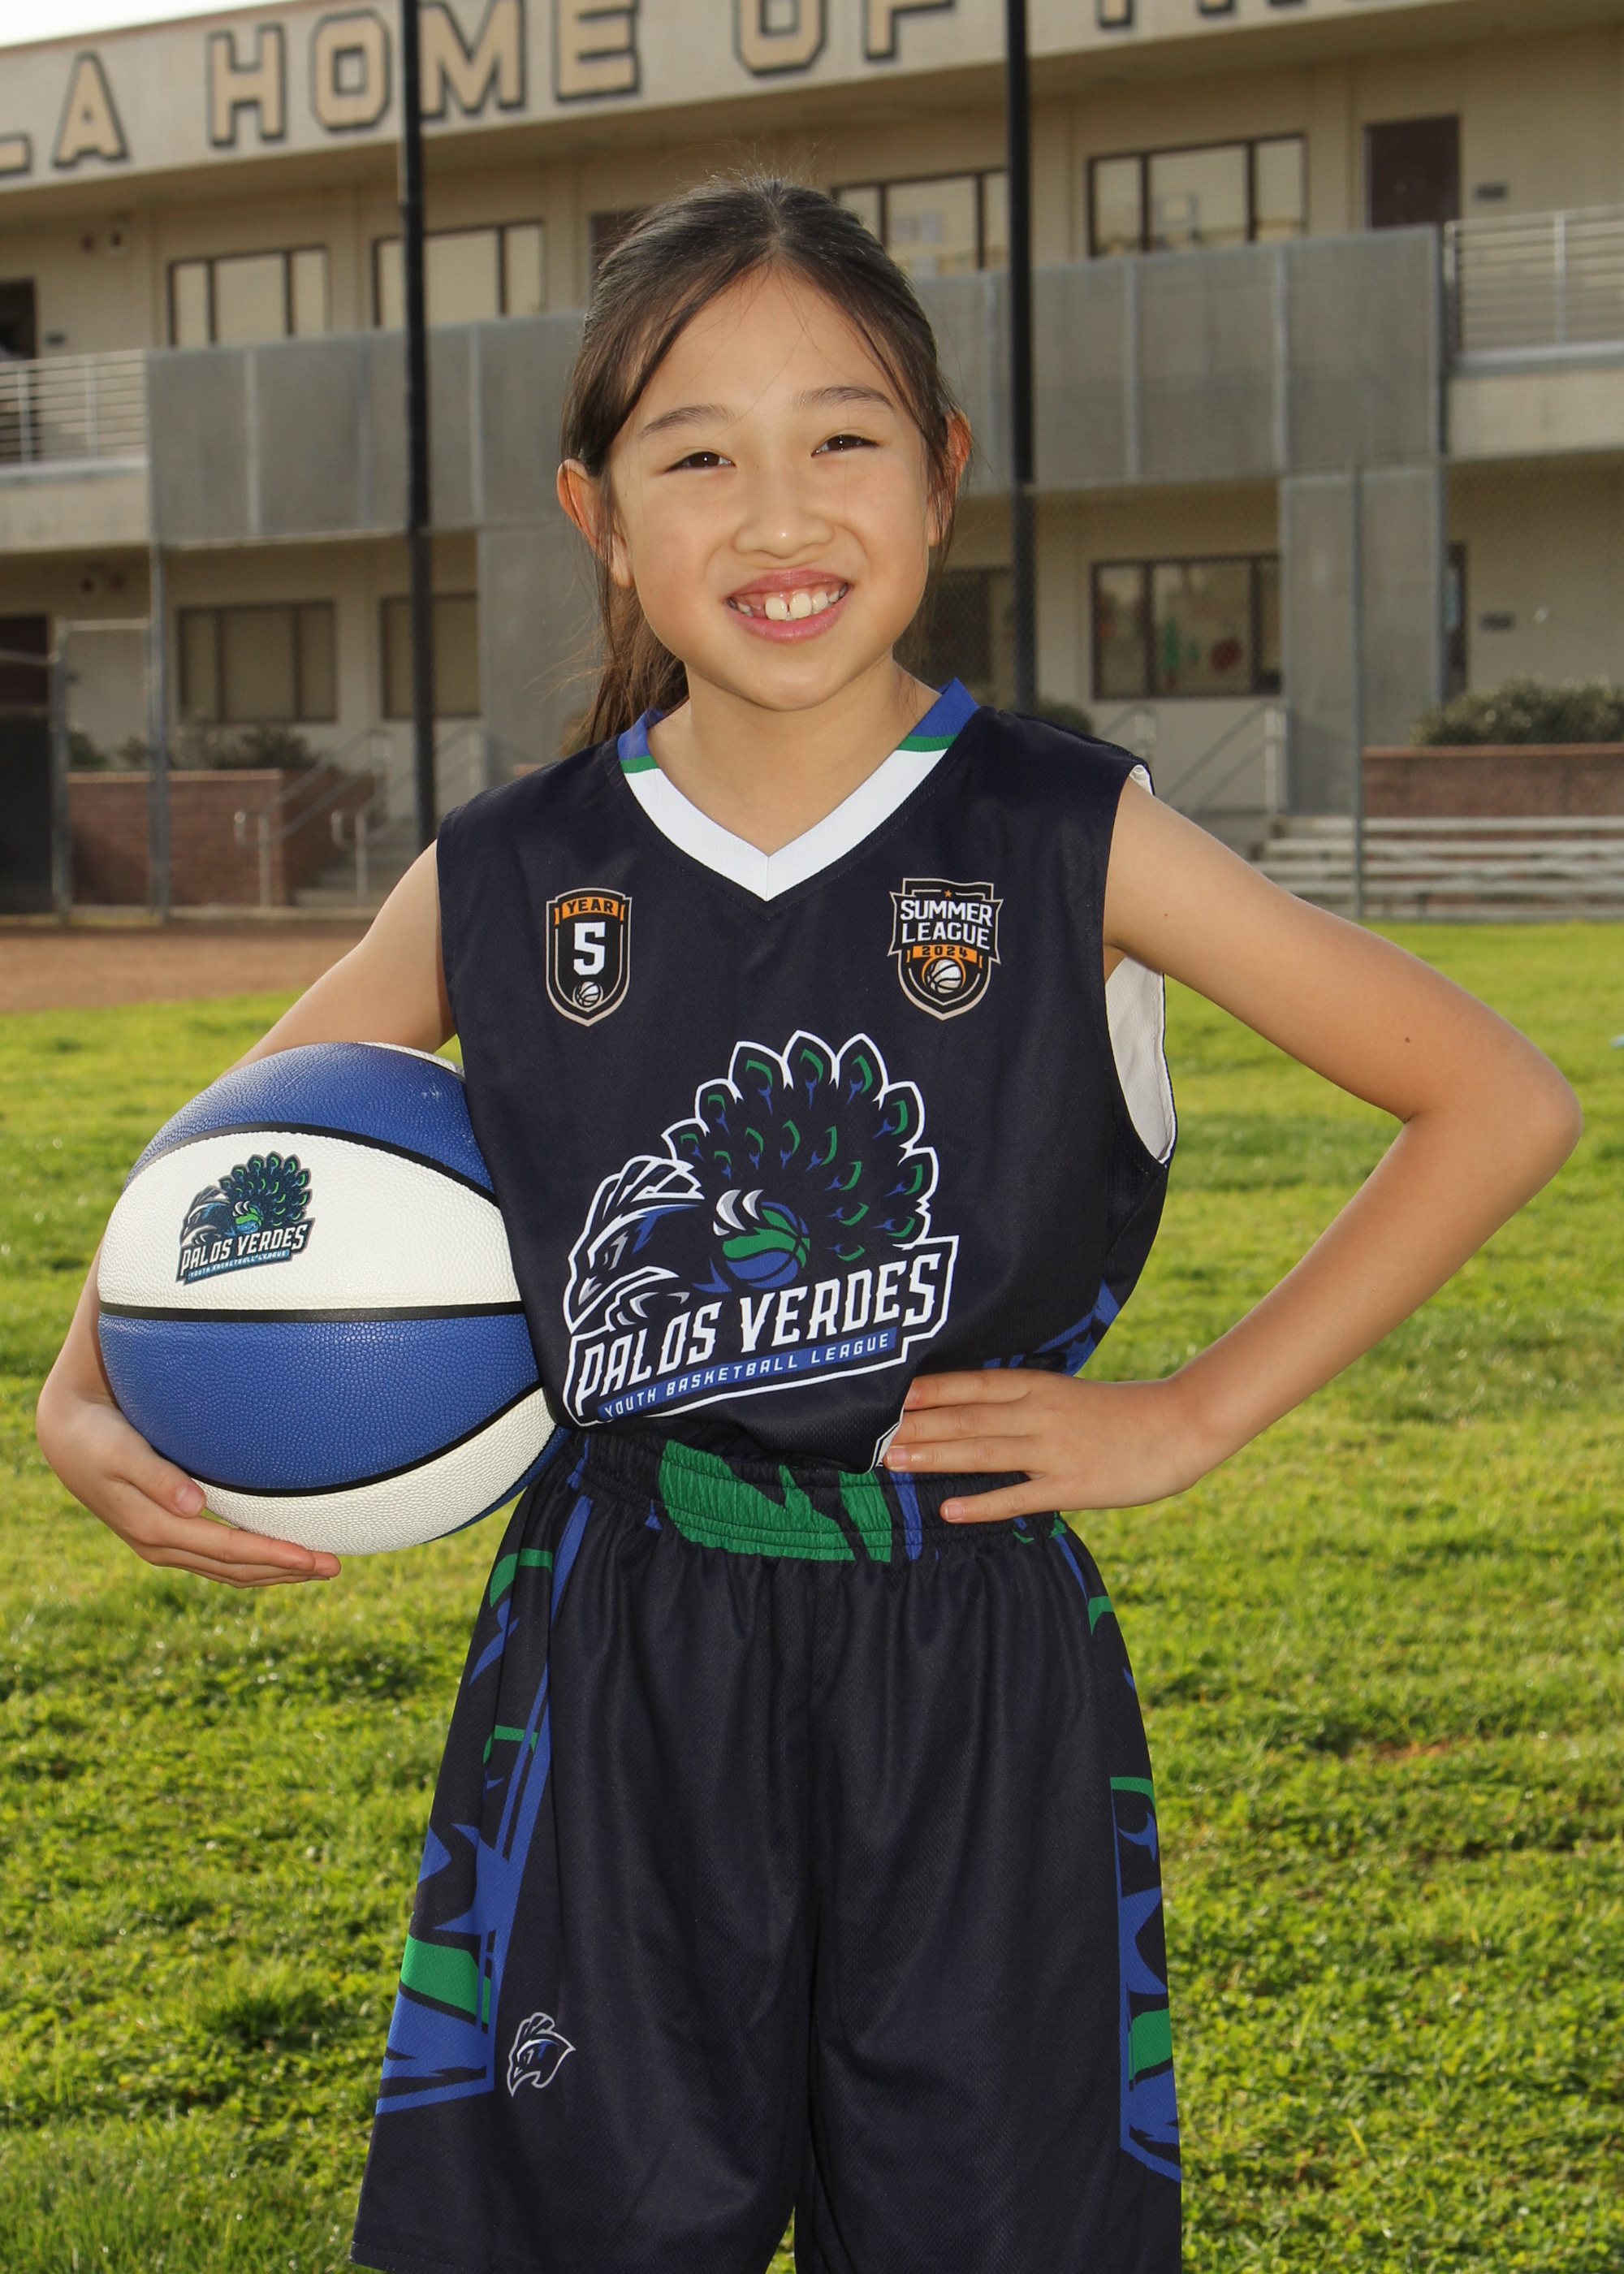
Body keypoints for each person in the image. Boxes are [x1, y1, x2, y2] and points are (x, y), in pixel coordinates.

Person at [36, 177, 1579, 2274]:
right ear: (600, 516)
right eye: (699, 457)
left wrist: (1192, 1414)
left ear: (941, 477)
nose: (779, 514)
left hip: (967, 1656)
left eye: (841, 438)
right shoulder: (510, 874)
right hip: (620, 1648)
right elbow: (223, 1178)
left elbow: (1497, 1098)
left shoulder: (1066, 832)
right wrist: (84, 1386)